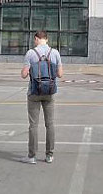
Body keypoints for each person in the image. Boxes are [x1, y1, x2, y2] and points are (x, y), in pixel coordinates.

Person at [20, 30, 63, 164]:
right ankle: (49, 155)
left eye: (35, 40)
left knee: (33, 125)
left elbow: (24, 74)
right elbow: (60, 74)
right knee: (50, 124)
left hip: (34, 92)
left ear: (37, 39)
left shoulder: (31, 53)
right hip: (49, 92)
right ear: (47, 39)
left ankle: (32, 156)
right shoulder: (55, 53)